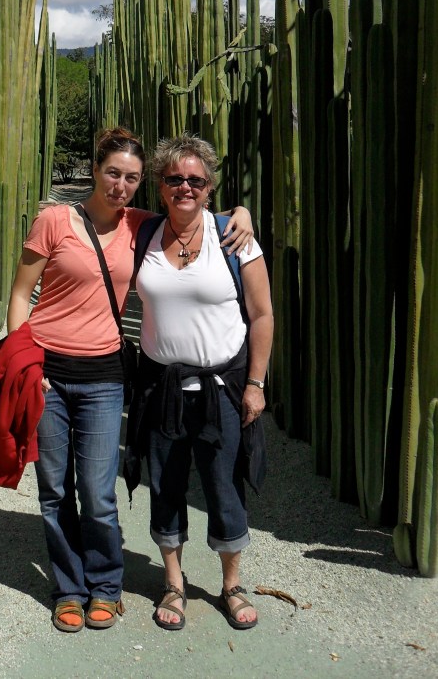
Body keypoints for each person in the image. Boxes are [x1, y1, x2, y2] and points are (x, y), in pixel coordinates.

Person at [6, 127, 254, 633]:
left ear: (143, 186)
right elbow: (19, 296)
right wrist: (25, 365)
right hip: (47, 374)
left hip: (103, 377)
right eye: (113, 173)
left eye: (132, 178)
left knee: (97, 492)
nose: (120, 185)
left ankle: (105, 585)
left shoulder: (140, 226)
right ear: (96, 171)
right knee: (54, 490)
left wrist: (241, 215)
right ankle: (68, 589)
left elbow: (199, 216)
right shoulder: (54, 219)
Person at [125, 133, 273, 631]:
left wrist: (255, 382)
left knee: (224, 486)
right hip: (160, 387)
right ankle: (174, 583)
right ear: (160, 187)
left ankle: (231, 584)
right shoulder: (142, 232)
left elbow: (262, 313)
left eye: (195, 180)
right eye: (174, 179)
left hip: (222, 391)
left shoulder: (233, 235)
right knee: (165, 485)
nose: (184, 187)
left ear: (209, 188)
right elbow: (97, 221)